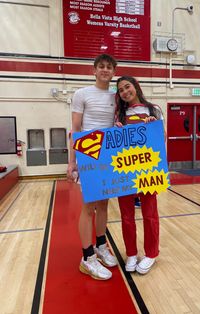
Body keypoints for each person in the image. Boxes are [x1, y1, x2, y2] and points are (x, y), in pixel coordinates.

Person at [67, 54, 118, 280]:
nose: (105, 70)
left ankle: (100, 245)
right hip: (89, 153)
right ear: (94, 70)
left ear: (113, 71)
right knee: (89, 208)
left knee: (104, 206)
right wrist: (72, 162)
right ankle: (87, 258)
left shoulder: (116, 96)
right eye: (101, 67)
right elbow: (76, 129)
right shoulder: (82, 94)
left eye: (109, 67)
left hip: (108, 155)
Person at [115, 75, 164, 274]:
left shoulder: (154, 110)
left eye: (128, 87)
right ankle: (132, 254)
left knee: (150, 214)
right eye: (121, 90)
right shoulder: (118, 114)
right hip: (125, 169)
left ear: (136, 86)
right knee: (126, 215)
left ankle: (151, 253)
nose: (125, 92)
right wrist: (116, 130)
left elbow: (162, 141)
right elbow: (114, 144)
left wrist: (153, 128)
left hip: (148, 169)